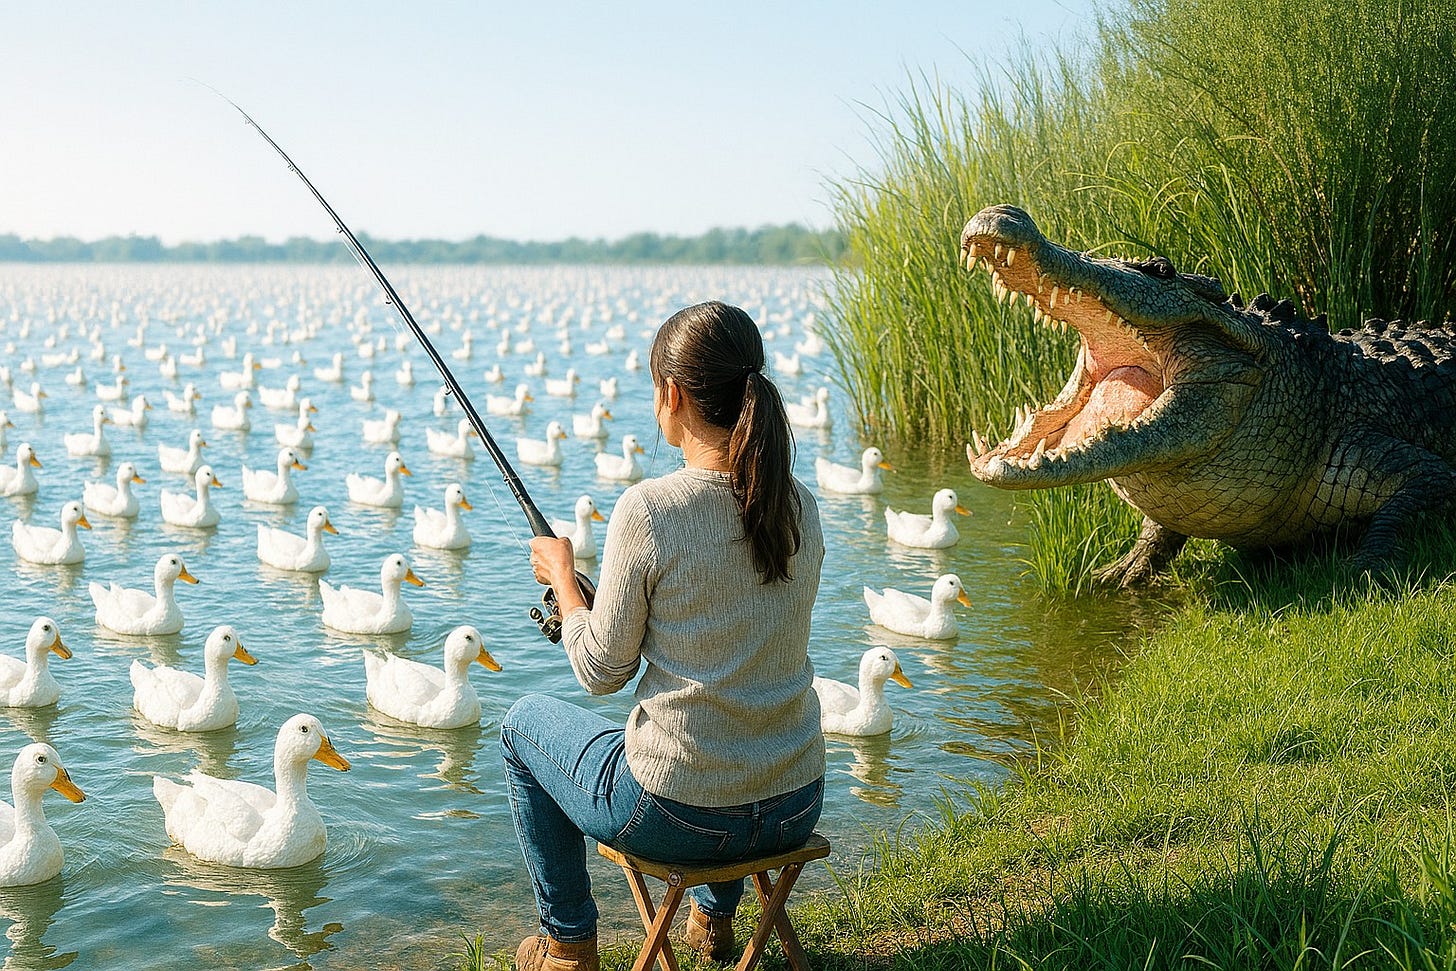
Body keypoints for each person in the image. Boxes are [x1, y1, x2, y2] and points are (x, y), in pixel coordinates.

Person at [505, 300, 826, 971]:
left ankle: (568, 944)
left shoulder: (649, 509)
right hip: (794, 800)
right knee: (733, 709)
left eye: (656, 389)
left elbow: (600, 669)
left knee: (521, 726)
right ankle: (714, 920)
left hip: (681, 814)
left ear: (673, 395)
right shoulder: (801, 504)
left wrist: (565, 581)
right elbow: (731, 633)